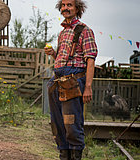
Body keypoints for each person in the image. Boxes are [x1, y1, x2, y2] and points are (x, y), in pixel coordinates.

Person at [44, 0, 98, 159]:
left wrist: (88, 87)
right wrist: (54, 53)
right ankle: (64, 155)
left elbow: (90, 60)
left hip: (73, 82)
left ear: (77, 8)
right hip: (57, 80)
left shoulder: (84, 30)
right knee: (58, 123)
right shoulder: (63, 33)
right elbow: (63, 59)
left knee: (72, 123)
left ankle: (75, 156)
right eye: (63, 5)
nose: (65, 8)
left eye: (69, 5)